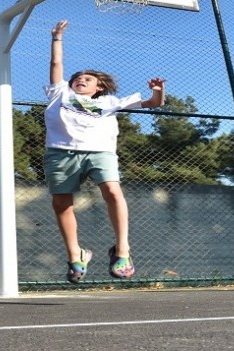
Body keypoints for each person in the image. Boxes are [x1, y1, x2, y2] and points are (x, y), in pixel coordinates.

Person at [44, 19, 165, 283]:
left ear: (99, 86)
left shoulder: (111, 102)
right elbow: (56, 66)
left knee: (112, 190)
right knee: (61, 204)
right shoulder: (59, 93)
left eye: (87, 79)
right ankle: (76, 255)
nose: (80, 81)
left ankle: (122, 249)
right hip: (61, 152)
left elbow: (154, 103)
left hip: (100, 152)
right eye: (77, 79)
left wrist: (158, 90)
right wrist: (57, 38)